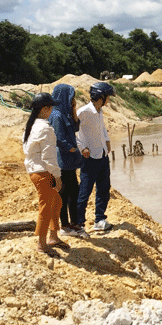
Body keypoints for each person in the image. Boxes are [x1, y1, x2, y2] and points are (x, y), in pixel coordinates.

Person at [22, 92, 69, 256]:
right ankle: (42, 244)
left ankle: (53, 237)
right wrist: (57, 176)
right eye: (50, 108)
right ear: (44, 109)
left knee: (56, 202)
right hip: (43, 172)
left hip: (35, 170)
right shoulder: (46, 128)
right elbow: (49, 156)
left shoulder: (31, 125)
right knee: (46, 207)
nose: (51, 111)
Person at [49, 84, 87, 239]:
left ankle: (73, 223)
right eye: (71, 97)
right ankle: (64, 226)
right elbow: (59, 139)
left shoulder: (65, 113)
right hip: (63, 160)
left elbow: (76, 126)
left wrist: (73, 111)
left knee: (74, 191)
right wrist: (71, 148)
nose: (73, 100)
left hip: (69, 160)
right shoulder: (56, 115)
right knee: (64, 193)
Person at [76, 82, 115, 232]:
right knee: (84, 191)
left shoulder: (99, 111)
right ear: (101, 97)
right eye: (108, 97)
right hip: (89, 157)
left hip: (102, 155)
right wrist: (82, 148)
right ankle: (79, 224)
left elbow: (102, 128)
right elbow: (73, 131)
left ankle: (99, 219)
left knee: (104, 189)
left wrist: (107, 141)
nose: (109, 100)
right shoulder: (84, 111)